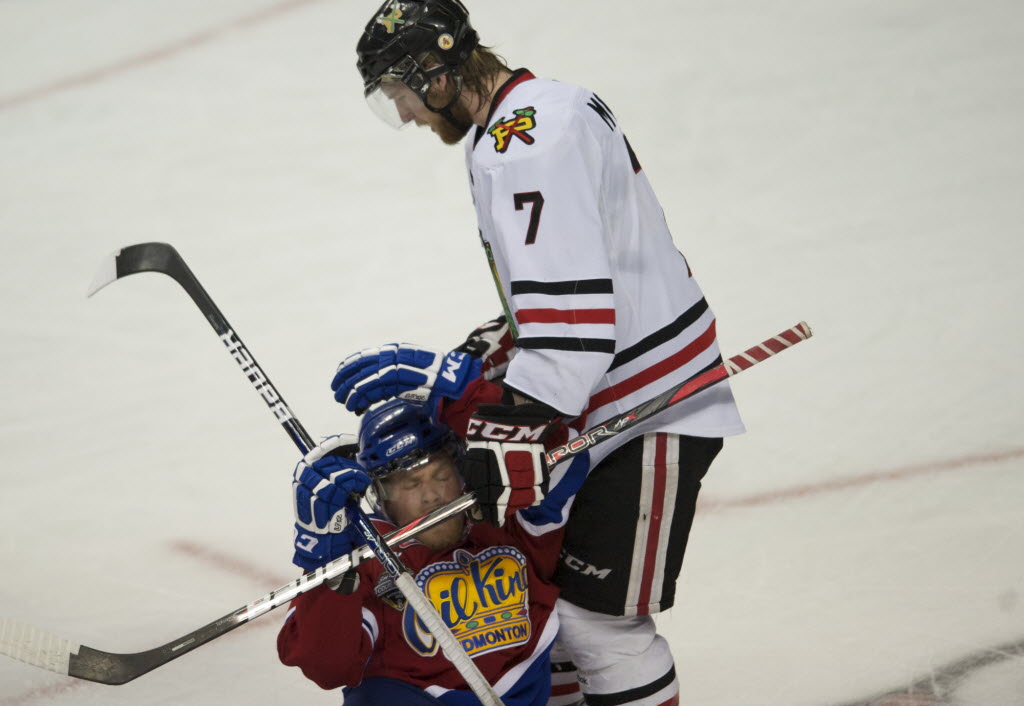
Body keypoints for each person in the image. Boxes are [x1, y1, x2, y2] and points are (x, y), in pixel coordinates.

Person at [334, 2, 747, 704]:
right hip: (614, 400)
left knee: (597, 625)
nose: (404, 115)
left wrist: (484, 413)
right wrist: (486, 353)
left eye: (401, 95)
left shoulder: (525, 147)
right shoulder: (535, 114)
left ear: (434, 75)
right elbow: (575, 285)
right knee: (543, 602)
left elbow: (574, 337)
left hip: (648, 412)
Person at [278, 398, 585, 705]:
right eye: (410, 485)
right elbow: (328, 668)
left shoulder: (509, 521)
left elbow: (567, 446)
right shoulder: (364, 553)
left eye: (442, 475)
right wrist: (323, 556)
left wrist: (462, 399)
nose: (432, 496)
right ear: (381, 496)